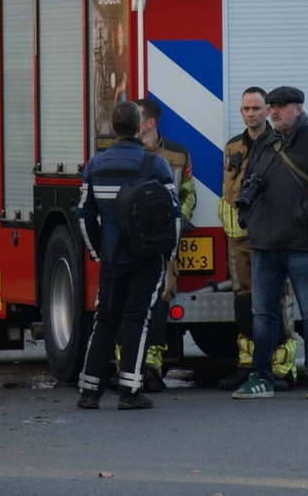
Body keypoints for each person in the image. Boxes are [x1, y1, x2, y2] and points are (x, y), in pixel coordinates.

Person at [232, 86, 308, 400]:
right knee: (263, 314)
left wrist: (303, 215)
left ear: (298, 108)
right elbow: (249, 181)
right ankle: (261, 377)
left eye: (280, 106)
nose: (273, 111)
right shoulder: (265, 142)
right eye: (271, 107)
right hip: (264, 242)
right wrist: (248, 218)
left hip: (302, 243)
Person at [76, 101, 181, 410]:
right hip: (147, 261)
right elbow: (173, 216)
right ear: (139, 127)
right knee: (137, 321)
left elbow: (84, 215)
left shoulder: (95, 166)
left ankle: (89, 391)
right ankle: (129, 391)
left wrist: (98, 252)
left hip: (112, 260)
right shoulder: (156, 165)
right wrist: (168, 254)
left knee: (105, 320)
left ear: (112, 129)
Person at [217, 87, 298, 392]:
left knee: (277, 300)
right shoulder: (232, 146)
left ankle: (282, 367)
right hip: (237, 239)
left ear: (267, 111)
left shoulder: (279, 143)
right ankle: (249, 366)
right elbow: (229, 191)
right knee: (244, 302)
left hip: (269, 237)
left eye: (256, 108)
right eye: (246, 109)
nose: (251, 113)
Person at [129, 97, 196, 392]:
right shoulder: (125, 152)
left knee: (161, 299)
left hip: (165, 242)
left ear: (150, 123)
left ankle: (153, 366)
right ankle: (128, 366)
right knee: (130, 300)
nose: (133, 123)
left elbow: (188, 194)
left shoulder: (178, 154)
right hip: (130, 240)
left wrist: (174, 222)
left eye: (137, 118)